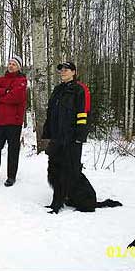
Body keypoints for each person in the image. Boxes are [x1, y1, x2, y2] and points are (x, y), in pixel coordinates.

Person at [42, 62, 91, 207]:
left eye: (66, 70)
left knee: (71, 170)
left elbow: (84, 114)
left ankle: (83, 198)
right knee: (55, 169)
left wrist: (80, 136)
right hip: (57, 137)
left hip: (72, 138)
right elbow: (51, 112)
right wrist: (48, 131)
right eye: (61, 70)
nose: (63, 72)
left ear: (74, 72)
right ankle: (58, 199)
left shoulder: (80, 89)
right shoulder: (58, 90)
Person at [0, 55, 27, 187]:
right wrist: (5, 91)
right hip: (0, 121)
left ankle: (11, 176)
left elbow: (15, 97)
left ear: (18, 67)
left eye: (14, 64)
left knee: (13, 150)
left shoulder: (21, 81)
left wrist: (0, 96)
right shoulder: (0, 80)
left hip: (14, 122)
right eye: (10, 63)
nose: (11, 65)